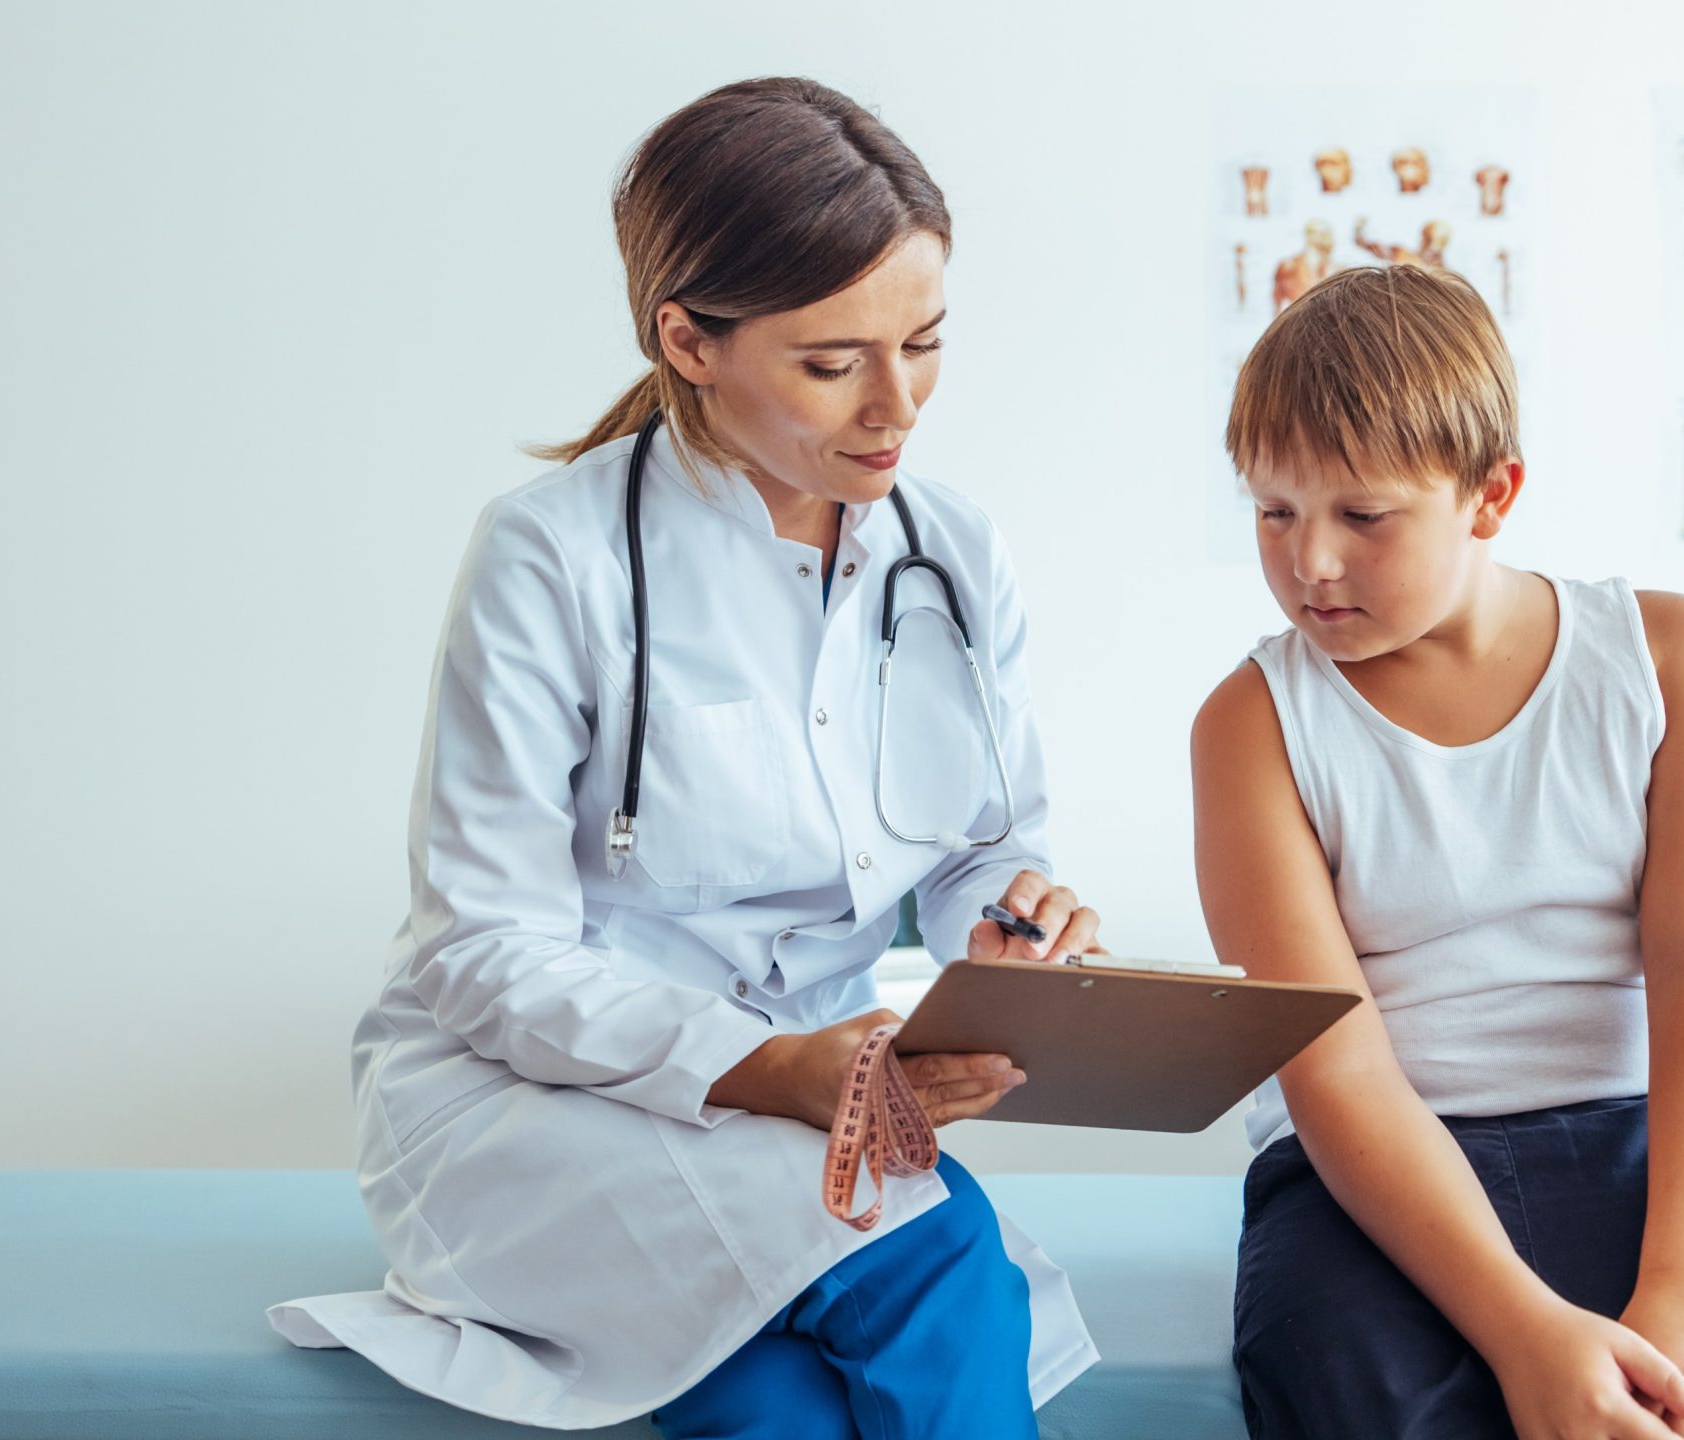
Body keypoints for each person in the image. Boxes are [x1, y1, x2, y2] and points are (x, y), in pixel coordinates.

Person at [268, 77, 1101, 1439]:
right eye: (834, 362)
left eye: (926, 343)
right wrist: (768, 1070)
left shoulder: (953, 553)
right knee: (939, 1260)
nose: (898, 404)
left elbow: (973, 847)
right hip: (536, 1113)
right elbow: (481, 953)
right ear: (689, 340)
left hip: (812, 1099)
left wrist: (1009, 925)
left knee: (779, 1403)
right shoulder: (552, 555)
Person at [1192, 264, 1684, 1440]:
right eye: (1273, 512)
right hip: (1366, 1178)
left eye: (1361, 515)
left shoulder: (1665, 656)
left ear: (1490, 495)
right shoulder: (1251, 723)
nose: (1308, 561)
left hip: (1638, 1141)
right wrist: (1527, 1337)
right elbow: (1336, 1072)